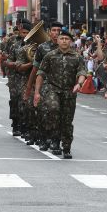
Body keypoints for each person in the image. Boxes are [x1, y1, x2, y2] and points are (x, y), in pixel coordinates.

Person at [34, 30, 87, 159]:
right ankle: (55, 142)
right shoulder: (50, 56)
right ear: (57, 41)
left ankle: (67, 147)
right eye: (61, 38)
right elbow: (40, 74)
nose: (64, 41)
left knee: (67, 121)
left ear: (71, 41)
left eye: (67, 39)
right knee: (53, 109)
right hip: (53, 89)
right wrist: (37, 92)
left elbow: (82, 73)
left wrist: (79, 84)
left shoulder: (77, 57)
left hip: (69, 92)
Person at [26, 22, 62, 151]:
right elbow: (35, 69)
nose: (56, 33)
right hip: (45, 84)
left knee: (59, 113)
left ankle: (55, 140)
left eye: (59, 30)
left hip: (62, 85)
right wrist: (30, 88)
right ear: (49, 32)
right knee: (45, 112)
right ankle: (44, 138)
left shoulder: (67, 47)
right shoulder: (42, 47)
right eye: (54, 30)